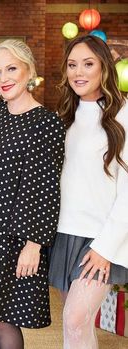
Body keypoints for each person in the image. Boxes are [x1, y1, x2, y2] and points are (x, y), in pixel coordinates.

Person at [0, 39, 65, 349]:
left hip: (16, 236)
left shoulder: (46, 123)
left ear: (29, 70)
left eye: (11, 69)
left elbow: (46, 188)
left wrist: (34, 244)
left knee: (4, 319)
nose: (3, 78)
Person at [48, 34, 128, 349]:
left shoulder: (123, 115)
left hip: (102, 239)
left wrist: (106, 247)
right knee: (78, 327)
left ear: (104, 68)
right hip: (64, 235)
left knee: (74, 320)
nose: (79, 72)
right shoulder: (62, 118)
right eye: (72, 65)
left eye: (88, 64)